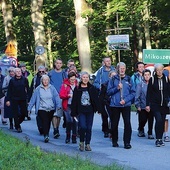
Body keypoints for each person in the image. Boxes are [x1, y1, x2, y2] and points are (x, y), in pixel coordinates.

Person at [107, 62, 135, 149]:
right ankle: (114, 140)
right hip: (115, 105)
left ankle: (127, 142)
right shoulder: (113, 79)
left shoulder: (129, 79)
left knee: (127, 124)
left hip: (125, 105)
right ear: (117, 69)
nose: (122, 70)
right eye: (120, 68)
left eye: (123, 68)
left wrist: (125, 100)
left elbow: (133, 92)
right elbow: (108, 92)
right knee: (114, 124)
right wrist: (117, 88)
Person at [71, 72, 101, 151]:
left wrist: (99, 109)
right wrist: (73, 113)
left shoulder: (92, 88)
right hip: (81, 110)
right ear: (81, 78)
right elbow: (74, 101)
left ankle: (88, 144)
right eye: (83, 77)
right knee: (83, 127)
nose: (85, 79)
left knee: (89, 128)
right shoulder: (77, 89)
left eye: (87, 77)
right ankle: (81, 142)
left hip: (90, 110)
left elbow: (96, 100)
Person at [28, 75, 61, 143]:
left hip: (51, 108)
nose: (45, 81)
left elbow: (56, 97)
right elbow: (33, 99)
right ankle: (46, 135)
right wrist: (29, 108)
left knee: (48, 122)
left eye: (47, 80)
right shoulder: (38, 89)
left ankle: (47, 133)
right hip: (41, 108)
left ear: (48, 81)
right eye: (44, 80)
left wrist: (58, 106)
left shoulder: (52, 88)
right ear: (41, 81)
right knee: (45, 120)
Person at [146, 63, 170, 147]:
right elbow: (148, 93)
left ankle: (161, 139)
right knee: (158, 120)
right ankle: (158, 139)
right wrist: (147, 104)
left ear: (163, 70)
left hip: (164, 104)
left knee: (162, 121)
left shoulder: (166, 79)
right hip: (155, 104)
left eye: (161, 70)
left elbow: (168, 91)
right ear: (155, 71)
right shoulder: (152, 79)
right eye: (157, 70)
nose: (159, 72)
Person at [93, 57, 115, 138]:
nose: (108, 62)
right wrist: (100, 87)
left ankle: (111, 129)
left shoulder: (114, 70)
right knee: (104, 113)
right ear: (103, 62)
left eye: (109, 61)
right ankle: (105, 128)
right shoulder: (101, 72)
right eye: (107, 61)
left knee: (112, 113)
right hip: (103, 94)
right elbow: (95, 83)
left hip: (113, 94)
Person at [6, 67, 29, 133]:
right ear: (15, 73)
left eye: (20, 71)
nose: (19, 72)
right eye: (17, 71)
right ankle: (18, 127)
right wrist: (8, 100)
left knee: (24, 113)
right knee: (15, 113)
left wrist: (28, 98)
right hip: (14, 98)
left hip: (23, 98)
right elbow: (9, 91)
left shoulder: (25, 79)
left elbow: (27, 88)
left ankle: (17, 123)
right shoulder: (12, 80)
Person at [48, 58, 67, 138]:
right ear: (55, 64)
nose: (58, 65)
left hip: (61, 96)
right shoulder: (50, 73)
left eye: (60, 63)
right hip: (53, 96)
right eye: (57, 63)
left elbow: (66, 82)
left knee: (59, 114)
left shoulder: (63, 73)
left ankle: (57, 128)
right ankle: (55, 129)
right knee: (54, 114)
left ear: (62, 64)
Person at [135, 69, 154, 139]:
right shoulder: (140, 84)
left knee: (151, 119)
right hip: (142, 106)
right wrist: (138, 105)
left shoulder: (153, 84)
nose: (147, 76)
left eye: (148, 75)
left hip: (151, 105)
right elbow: (137, 95)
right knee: (143, 119)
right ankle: (140, 128)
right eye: (145, 75)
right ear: (143, 76)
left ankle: (150, 133)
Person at [59, 72, 78, 144]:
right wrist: (68, 95)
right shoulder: (65, 85)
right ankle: (68, 136)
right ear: (69, 79)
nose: (73, 81)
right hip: (67, 105)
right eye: (71, 80)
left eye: (74, 79)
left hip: (75, 106)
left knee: (75, 121)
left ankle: (74, 136)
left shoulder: (77, 84)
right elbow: (61, 95)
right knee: (69, 121)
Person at [28, 65, 46, 134]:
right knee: (38, 113)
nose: (41, 72)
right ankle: (40, 127)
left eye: (43, 71)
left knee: (45, 114)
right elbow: (31, 89)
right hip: (37, 98)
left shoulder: (48, 78)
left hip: (46, 98)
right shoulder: (35, 78)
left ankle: (45, 127)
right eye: (40, 71)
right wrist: (29, 100)